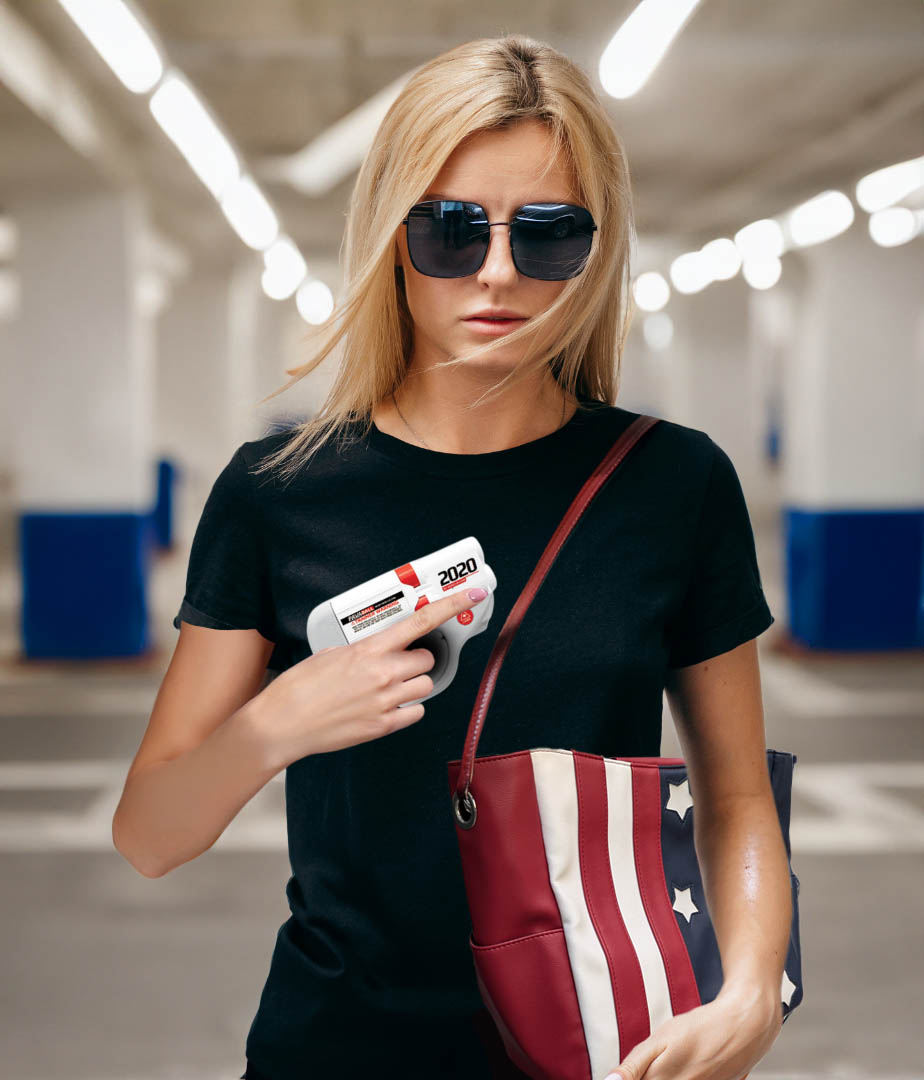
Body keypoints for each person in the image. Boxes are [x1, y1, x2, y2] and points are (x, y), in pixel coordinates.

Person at [112, 33, 791, 1080]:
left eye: (551, 234)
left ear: (597, 248)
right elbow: (150, 833)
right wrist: (277, 722)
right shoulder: (278, 491)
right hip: (335, 1048)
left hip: (597, 1046)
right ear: (391, 237)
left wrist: (750, 995)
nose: (501, 273)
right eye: (452, 230)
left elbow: (737, 797)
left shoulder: (672, 486)